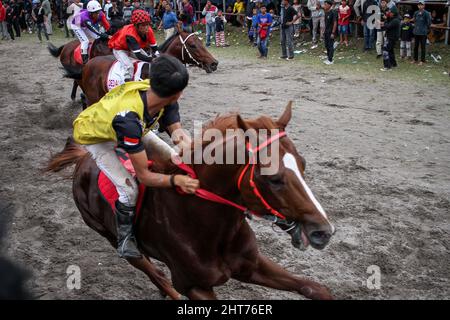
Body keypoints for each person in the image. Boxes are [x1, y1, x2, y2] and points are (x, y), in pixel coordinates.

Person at [72, 55, 199, 259]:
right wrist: (176, 179)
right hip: (97, 137)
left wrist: (193, 153)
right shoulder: (129, 122)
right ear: (178, 94)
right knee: (129, 189)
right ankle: (125, 238)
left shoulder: (160, 91)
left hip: (134, 124)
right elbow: (145, 176)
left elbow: (179, 135)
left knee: (175, 158)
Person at [109, 9, 159, 81]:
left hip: (132, 48)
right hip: (119, 49)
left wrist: (158, 56)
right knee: (129, 67)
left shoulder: (149, 30)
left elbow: (154, 48)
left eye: (147, 24)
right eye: (143, 25)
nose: (146, 27)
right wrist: (153, 59)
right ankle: (127, 83)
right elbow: (138, 55)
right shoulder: (130, 34)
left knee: (147, 60)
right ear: (136, 26)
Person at [71, 0, 111, 64]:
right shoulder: (85, 18)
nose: (98, 15)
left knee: (97, 37)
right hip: (76, 25)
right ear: (90, 13)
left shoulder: (101, 14)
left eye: (98, 12)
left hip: (84, 25)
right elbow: (96, 31)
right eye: (96, 13)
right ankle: (85, 60)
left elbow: (107, 26)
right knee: (85, 41)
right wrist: (108, 36)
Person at [411, 0, 431, 65]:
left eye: (421, 5)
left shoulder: (427, 13)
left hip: (423, 33)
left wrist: (426, 30)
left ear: (424, 5)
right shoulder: (416, 13)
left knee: (423, 47)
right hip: (416, 32)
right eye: (419, 5)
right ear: (417, 6)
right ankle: (415, 59)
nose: (420, 6)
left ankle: (422, 60)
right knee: (415, 46)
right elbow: (414, 20)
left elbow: (429, 23)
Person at [323, 0, 336, 65]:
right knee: (326, 45)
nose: (324, 6)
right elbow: (326, 23)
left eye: (325, 4)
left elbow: (335, 23)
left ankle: (330, 60)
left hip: (331, 32)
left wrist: (333, 33)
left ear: (329, 5)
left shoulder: (333, 12)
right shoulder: (326, 12)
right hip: (326, 32)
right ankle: (328, 58)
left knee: (330, 45)